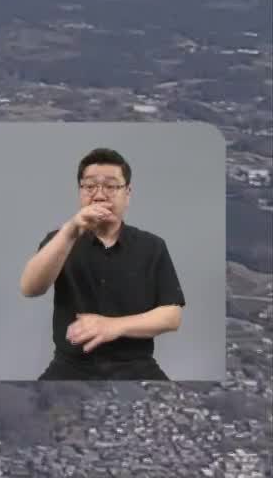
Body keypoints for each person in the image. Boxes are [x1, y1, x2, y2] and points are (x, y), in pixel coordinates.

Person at [17, 147, 184, 380]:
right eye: (90, 186)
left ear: (128, 193)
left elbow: (172, 315)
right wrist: (70, 231)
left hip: (137, 367)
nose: (99, 195)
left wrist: (113, 326)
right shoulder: (60, 239)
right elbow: (30, 288)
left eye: (111, 186)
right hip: (70, 367)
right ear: (80, 192)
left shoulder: (152, 246)